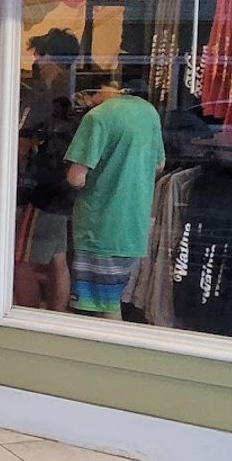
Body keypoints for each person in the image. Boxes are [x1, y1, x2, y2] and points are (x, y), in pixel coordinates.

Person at [63, 69, 164, 319]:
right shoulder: (147, 112)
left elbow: (76, 178)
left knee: (102, 307)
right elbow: (159, 165)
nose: (85, 100)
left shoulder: (98, 118)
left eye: (87, 94)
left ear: (102, 89)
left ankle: (106, 355)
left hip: (101, 226)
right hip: (134, 225)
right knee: (111, 298)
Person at [15, 29, 79, 312]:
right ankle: (57, 317)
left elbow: (21, 145)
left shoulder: (45, 98)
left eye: (39, 55)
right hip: (66, 189)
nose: (36, 62)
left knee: (22, 260)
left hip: (41, 189)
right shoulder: (77, 93)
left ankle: (28, 318)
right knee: (58, 257)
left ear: (49, 57)